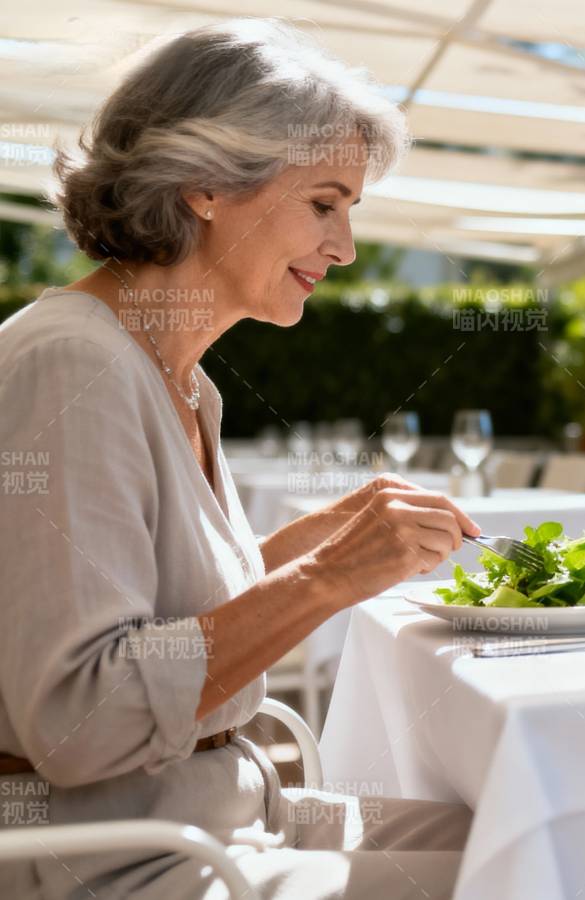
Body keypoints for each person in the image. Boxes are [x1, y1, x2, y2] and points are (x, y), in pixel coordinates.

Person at [0, 19, 485, 899]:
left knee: (532, 833)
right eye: (324, 204)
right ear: (207, 185)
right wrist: (328, 577)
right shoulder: (70, 365)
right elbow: (79, 719)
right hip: (121, 856)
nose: (344, 248)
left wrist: (312, 541)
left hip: (231, 810)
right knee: (529, 875)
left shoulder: (185, 381)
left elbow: (161, 612)